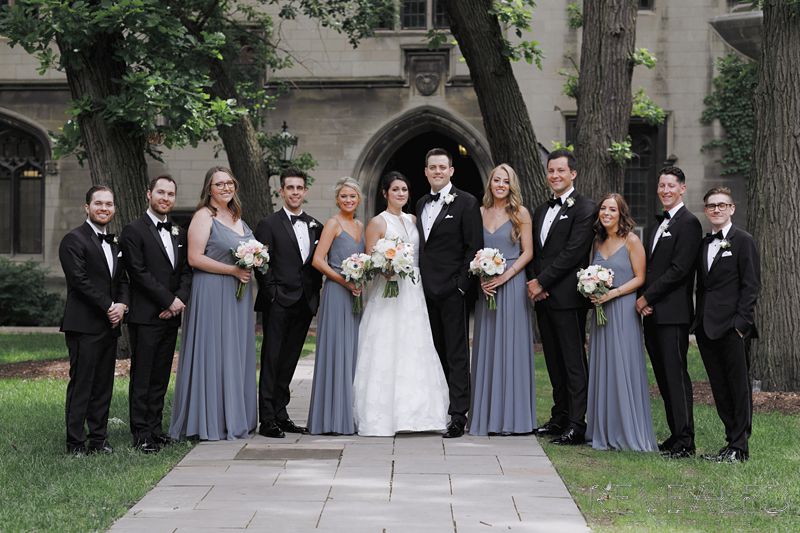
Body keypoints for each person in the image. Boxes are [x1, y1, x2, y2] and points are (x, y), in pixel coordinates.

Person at [354, 171, 449, 436]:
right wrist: (385, 267)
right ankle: (383, 416)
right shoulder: (377, 222)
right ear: (385, 193)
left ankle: (420, 415)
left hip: (414, 289)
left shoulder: (414, 219)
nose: (400, 194)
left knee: (415, 345)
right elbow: (370, 258)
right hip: (388, 290)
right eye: (395, 189)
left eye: (404, 190)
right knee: (387, 345)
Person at [169, 167, 257, 441]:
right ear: (209, 189)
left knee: (235, 351)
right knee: (214, 351)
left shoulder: (237, 217)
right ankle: (209, 418)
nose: (225, 188)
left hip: (237, 294)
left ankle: (235, 414)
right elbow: (195, 259)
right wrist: (232, 270)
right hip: (211, 291)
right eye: (219, 184)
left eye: (229, 183)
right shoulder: (203, 216)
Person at [527, 149, 595, 445]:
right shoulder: (541, 210)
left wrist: (541, 281)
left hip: (567, 297)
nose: (555, 175)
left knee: (572, 362)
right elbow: (535, 251)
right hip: (543, 298)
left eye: (560, 171)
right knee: (553, 360)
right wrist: (533, 281)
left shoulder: (585, 208)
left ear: (573, 174)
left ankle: (577, 423)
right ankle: (559, 416)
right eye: (551, 171)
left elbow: (573, 252)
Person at [415, 148, 484, 439]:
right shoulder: (419, 203)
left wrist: (461, 285)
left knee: (456, 353)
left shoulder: (467, 202)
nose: (438, 171)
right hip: (422, 292)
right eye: (433, 167)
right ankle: (436, 407)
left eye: (443, 167)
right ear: (426, 171)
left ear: (451, 170)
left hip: (453, 291)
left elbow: (473, 246)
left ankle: (458, 414)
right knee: (431, 352)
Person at [120, 175, 192, 453]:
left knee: (161, 375)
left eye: (171, 194)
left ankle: (155, 428)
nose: (166, 198)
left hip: (171, 315)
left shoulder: (178, 231)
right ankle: (141, 433)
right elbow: (138, 273)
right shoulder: (133, 230)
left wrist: (180, 300)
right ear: (148, 194)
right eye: (160, 192)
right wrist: (168, 300)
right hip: (146, 315)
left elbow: (186, 271)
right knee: (143, 375)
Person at [636, 166, 702, 459]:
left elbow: (679, 270)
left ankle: (686, 441)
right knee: (663, 377)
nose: (665, 190)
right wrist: (645, 299)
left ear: (682, 188)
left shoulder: (689, 223)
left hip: (673, 314)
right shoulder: (657, 225)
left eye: (670, 186)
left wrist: (647, 296)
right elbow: (650, 269)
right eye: (661, 185)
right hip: (652, 313)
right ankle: (675, 434)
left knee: (676, 376)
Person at [59, 185, 129, 455]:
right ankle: (75, 443)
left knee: (103, 385)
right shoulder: (73, 240)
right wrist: (109, 305)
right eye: (98, 203)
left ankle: (98, 440)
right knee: (82, 384)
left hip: (109, 324)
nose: (104, 208)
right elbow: (79, 281)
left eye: (109, 204)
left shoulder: (115, 242)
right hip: (84, 324)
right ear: (86, 207)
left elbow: (122, 279)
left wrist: (122, 305)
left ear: (114, 209)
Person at [584, 194, 658, 452]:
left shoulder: (632, 240)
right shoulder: (597, 241)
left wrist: (613, 293)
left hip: (623, 310)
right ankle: (603, 429)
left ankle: (627, 430)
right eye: (603, 208)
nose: (606, 213)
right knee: (603, 367)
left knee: (623, 366)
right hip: (601, 312)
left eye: (612, 209)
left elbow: (640, 278)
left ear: (621, 213)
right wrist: (593, 290)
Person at [692, 187, 760, 463]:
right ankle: (730, 442)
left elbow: (751, 285)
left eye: (722, 205)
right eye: (711, 206)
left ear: (732, 208)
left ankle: (740, 447)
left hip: (733, 328)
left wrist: (740, 325)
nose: (716, 209)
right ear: (706, 210)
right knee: (720, 388)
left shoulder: (743, 241)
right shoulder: (704, 243)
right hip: (707, 328)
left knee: (738, 387)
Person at [254, 168, 323, 438]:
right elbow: (261, 262)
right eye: (290, 188)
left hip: (305, 302)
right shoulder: (268, 224)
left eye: (299, 188)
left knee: (290, 360)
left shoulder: (316, 224)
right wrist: (272, 292)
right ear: (281, 192)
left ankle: (281, 414)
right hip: (278, 301)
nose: (295, 192)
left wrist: (314, 293)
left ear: (305, 191)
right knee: (272, 359)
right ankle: (267, 419)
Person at [469, 164, 536, 436]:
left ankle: (513, 418)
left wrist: (506, 275)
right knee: (488, 347)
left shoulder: (520, 213)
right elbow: (473, 248)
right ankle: (486, 417)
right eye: (496, 180)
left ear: (511, 186)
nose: (500, 185)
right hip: (487, 286)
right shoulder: (480, 212)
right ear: (490, 183)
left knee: (511, 347)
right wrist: (481, 275)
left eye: (505, 181)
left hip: (511, 282)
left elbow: (528, 252)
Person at [307, 177, 365, 435]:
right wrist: (344, 280)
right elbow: (318, 261)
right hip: (336, 292)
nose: (348, 200)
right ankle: (330, 418)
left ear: (359, 199)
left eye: (352, 196)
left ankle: (348, 413)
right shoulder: (332, 223)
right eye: (343, 196)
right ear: (337, 199)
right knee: (336, 351)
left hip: (356, 294)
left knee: (353, 352)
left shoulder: (361, 226)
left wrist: (361, 279)